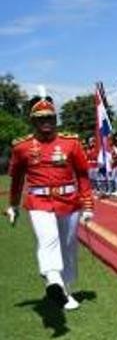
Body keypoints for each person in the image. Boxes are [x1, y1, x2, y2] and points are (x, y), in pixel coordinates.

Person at [6, 95, 94, 310]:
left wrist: (88, 205)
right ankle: (53, 281)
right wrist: (13, 205)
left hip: (69, 202)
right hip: (39, 201)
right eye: (41, 118)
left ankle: (66, 289)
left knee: (68, 246)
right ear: (33, 121)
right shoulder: (22, 147)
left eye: (50, 118)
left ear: (56, 119)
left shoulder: (71, 143)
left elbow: (82, 174)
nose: (46, 122)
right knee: (49, 239)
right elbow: (17, 179)